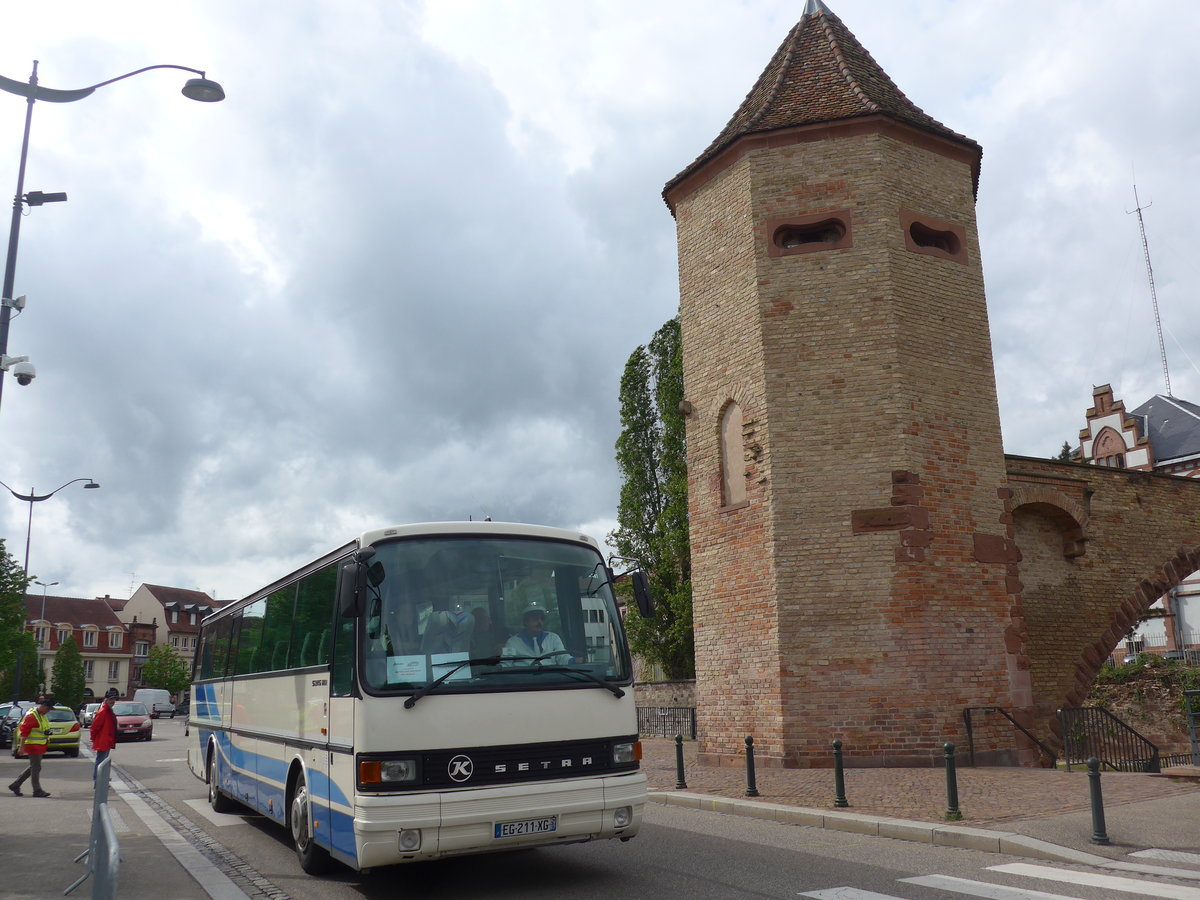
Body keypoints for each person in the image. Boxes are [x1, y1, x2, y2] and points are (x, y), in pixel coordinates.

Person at [8, 696, 55, 798]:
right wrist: (21, 747)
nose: (48, 711)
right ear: (43, 706)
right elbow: (24, 733)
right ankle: (37, 790)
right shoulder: (32, 716)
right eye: (48, 709)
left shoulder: (41, 714)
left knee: (34, 767)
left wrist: (47, 732)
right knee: (36, 768)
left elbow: (40, 728)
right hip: (33, 745)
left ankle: (15, 785)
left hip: (39, 745)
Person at [503, 604, 573, 665]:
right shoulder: (512, 642)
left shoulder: (553, 638)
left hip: (551, 677)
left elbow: (562, 657)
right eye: (535, 619)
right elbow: (506, 664)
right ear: (525, 622)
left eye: (542, 619)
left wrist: (574, 661)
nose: (540, 622)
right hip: (524, 679)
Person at [90, 688, 119, 782]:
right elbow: (94, 727)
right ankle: (98, 781)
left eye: (114, 699)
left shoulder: (109, 711)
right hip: (103, 741)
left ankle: (101, 779)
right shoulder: (103, 712)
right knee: (101, 762)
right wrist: (95, 739)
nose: (113, 701)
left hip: (107, 741)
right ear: (106, 700)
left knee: (103, 762)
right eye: (111, 699)